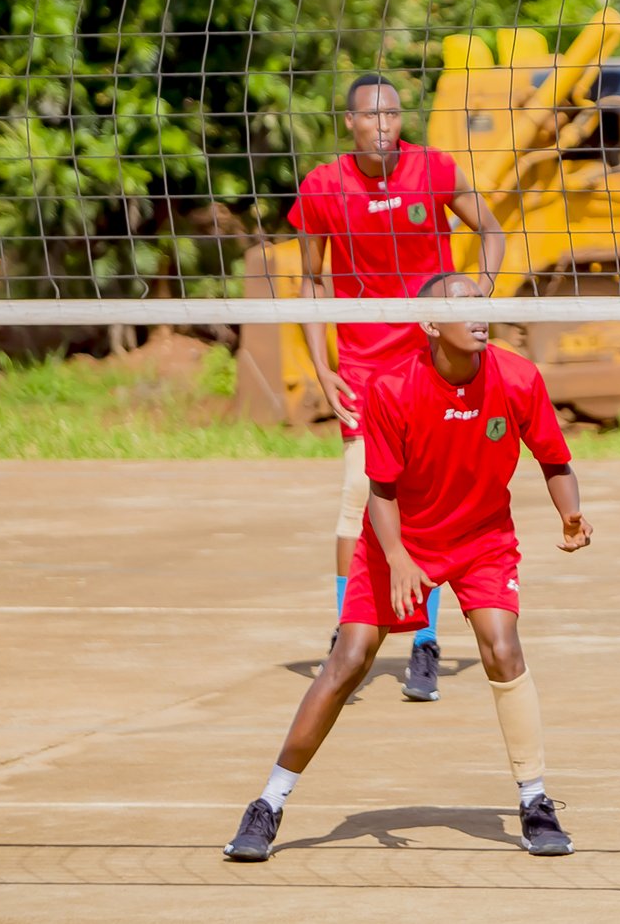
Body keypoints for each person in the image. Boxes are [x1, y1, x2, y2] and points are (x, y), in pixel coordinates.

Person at [224, 273, 590, 862]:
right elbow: (381, 489)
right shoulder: (392, 387)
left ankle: (535, 802)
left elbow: (554, 459)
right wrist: (396, 556)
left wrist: (570, 513)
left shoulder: (518, 377)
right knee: (349, 659)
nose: (478, 315)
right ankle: (268, 802)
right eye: (461, 306)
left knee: (503, 648)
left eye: (482, 303)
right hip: (400, 537)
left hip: (482, 538)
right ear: (428, 323)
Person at [288, 72, 506, 700]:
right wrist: (320, 364)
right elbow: (311, 280)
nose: (383, 125)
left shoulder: (433, 169)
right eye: (370, 115)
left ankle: (424, 642)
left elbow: (492, 230)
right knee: (358, 495)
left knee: (424, 500)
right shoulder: (322, 187)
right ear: (350, 122)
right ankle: (347, 634)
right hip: (362, 367)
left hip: (429, 360)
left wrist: (477, 295)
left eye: (392, 114)